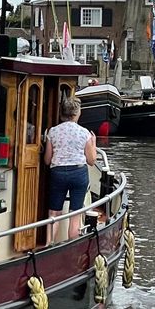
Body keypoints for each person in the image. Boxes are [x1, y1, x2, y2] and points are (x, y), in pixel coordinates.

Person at [43, 96, 96, 242]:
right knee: (75, 214)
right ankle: (72, 246)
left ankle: (49, 246)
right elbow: (91, 161)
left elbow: (47, 160)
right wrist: (94, 143)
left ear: (62, 113)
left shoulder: (52, 132)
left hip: (58, 173)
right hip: (79, 174)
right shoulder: (84, 133)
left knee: (54, 212)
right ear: (77, 113)